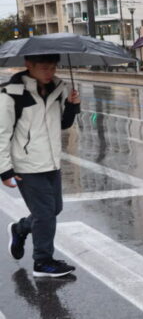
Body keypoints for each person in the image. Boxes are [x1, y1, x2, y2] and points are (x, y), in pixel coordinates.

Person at [1, 54, 80, 277]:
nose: (50, 72)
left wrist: (72, 106)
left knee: (54, 209)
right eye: (44, 68)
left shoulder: (58, 89)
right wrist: (5, 170)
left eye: (53, 68)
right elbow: (1, 134)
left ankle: (20, 229)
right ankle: (43, 262)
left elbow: (63, 124)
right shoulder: (11, 94)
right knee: (45, 214)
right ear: (29, 65)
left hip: (51, 162)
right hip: (26, 165)